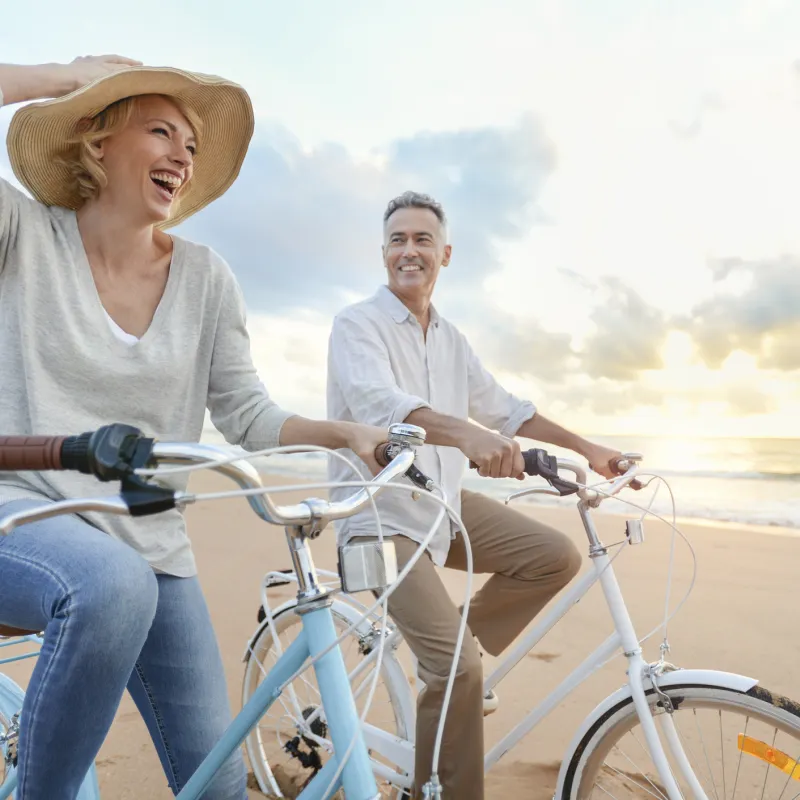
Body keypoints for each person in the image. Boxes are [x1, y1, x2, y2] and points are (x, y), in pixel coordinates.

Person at [0, 56, 390, 800]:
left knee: (216, 787)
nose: (183, 155)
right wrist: (59, 78)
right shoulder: (22, 234)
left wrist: (345, 433)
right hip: (21, 509)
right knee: (110, 586)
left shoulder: (207, 278)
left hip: (151, 541)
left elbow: (246, 412)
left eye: (191, 145)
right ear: (97, 139)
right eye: (161, 131)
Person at [326, 190, 633, 798]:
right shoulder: (356, 325)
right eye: (397, 240)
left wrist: (588, 449)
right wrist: (467, 436)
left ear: (445, 253)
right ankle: (441, 770)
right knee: (458, 669)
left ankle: (450, 653)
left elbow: (507, 410)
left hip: (438, 502)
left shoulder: (450, 338)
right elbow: (383, 410)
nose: (408, 251)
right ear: (383, 253)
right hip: (377, 514)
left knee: (554, 556)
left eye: (421, 240)